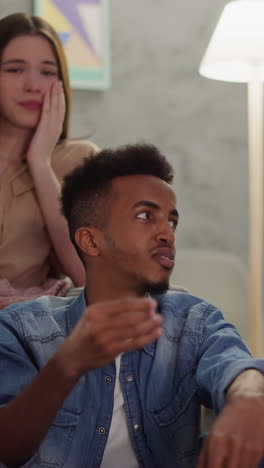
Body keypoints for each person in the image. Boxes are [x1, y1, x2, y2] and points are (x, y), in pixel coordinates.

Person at [0, 143, 264, 468]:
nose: (167, 233)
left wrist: (250, 398)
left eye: (172, 221)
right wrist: (66, 367)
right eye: (145, 216)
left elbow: (234, 364)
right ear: (91, 241)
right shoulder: (22, 329)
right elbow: (6, 450)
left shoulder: (193, 319)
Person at [0, 13, 98, 309]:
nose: (33, 85)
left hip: (26, 326)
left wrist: (40, 162)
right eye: (15, 70)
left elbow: (87, 274)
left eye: (46, 72)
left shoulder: (80, 159)